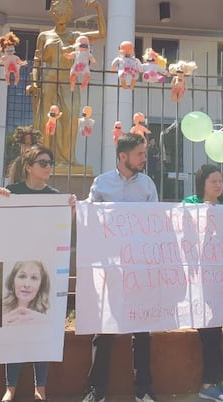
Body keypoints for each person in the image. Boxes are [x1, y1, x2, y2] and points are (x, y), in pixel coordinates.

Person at [83, 132, 159, 402]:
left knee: (142, 330)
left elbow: (155, 224)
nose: (144, 158)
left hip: (138, 268)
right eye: (140, 154)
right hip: (109, 269)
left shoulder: (148, 185)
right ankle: (96, 390)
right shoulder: (101, 184)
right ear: (123, 156)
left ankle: (144, 390)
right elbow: (89, 219)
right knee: (103, 330)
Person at [0, 145, 64, 402]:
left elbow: (63, 230)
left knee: (41, 326)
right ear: (29, 167)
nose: (48, 167)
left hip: (42, 271)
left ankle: (40, 388)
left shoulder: (55, 196)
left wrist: (71, 210)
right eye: (43, 162)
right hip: (16, 270)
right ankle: (10, 387)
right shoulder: (11, 193)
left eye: (50, 162)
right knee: (15, 326)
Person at [182, 164, 223, 402]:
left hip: (218, 280)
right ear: (202, 184)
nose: (219, 185)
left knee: (214, 331)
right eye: (213, 181)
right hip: (196, 279)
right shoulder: (189, 204)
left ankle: (214, 381)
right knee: (207, 331)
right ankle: (218, 380)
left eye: (221, 181)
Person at [26, 0, 106, 171]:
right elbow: (37, 61)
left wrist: (98, 8)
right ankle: (43, 158)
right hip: (47, 80)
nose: (62, 14)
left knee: (70, 118)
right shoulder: (44, 36)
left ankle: (67, 159)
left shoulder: (75, 36)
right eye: (58, 11)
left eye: (66, 11)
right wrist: (33, 82)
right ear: (53, 14)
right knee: (47, 119)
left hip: (67, 80)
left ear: (70, 15)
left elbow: (101, 33)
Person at [2, 261, 51, 326]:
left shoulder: (47, 318)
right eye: (22, 276)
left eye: (34, 278)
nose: (27, 284)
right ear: (13, 282)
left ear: (41, 286)